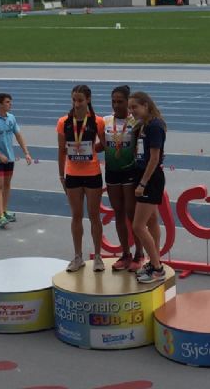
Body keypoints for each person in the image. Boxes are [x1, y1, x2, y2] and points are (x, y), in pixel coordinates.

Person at [57, 85, 106, 272]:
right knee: (76, 216)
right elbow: (61, 150)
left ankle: (98, 256)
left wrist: (92, 149)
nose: (76, 104)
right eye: (74, 100)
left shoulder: (97, 121)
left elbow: (104, 144)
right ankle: (78, 257)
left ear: (88, 100)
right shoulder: (63, 122)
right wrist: (61, 175)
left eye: (80, 100)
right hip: (72, 175)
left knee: (94, 216)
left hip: (92, 174)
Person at [102, 85, 144, 272]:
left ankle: (139, 254)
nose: (116, 105)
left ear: (128, 102)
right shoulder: (105, 121)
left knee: (131, 214)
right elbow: (101, 145)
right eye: (113, 101)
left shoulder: (136, 122)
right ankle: (125, 254)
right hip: (111, 172)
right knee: (118, 212)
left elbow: (142, 146)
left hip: (129, 172)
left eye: (120, 102)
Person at [128, 92, 167, 284]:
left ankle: (157, 268)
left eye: (134, 107)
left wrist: (143, 183)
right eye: (130, 108)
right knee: (151, 222)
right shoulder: (144, 125)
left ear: (145, 105)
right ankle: (154, 262)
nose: (132, 111)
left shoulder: (154, 126)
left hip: (150, 180)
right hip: (144, 176)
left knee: (138, 226)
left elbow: (154, 158)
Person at [0, 93, 32, 229]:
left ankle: (5, 211)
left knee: (7, 185)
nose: (10, 104)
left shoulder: (11, 118)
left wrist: (26, 153)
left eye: (10, 102)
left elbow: (18, 135)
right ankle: (1, 216)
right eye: (7, 102)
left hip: (10, 158)